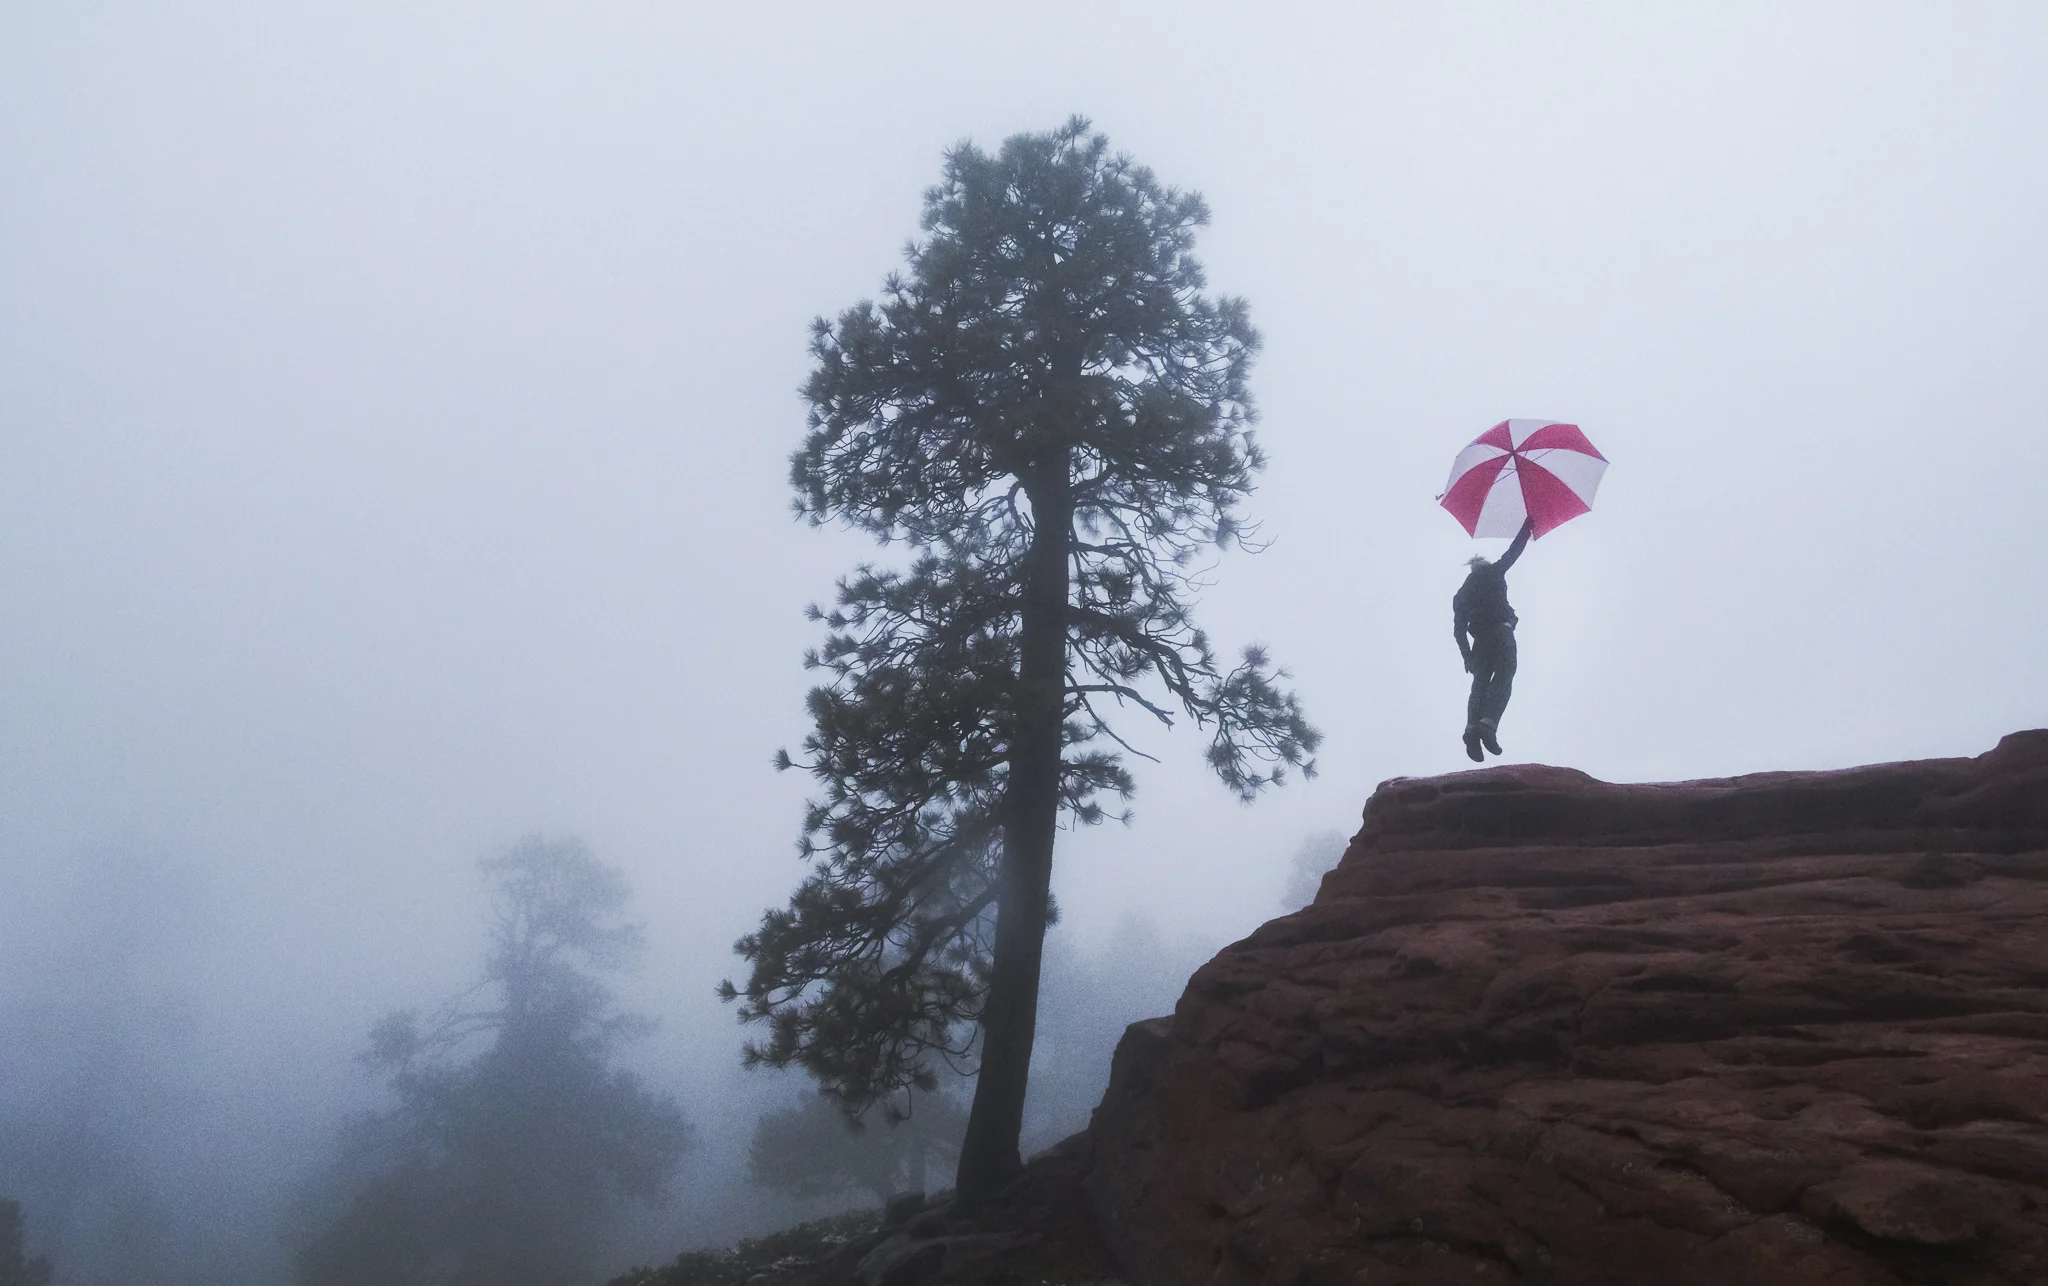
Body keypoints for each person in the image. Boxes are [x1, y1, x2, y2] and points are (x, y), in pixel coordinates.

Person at [1453, 516, 1533, 762]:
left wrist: (1467, 656)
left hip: (1479, 644)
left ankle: (1471, 729)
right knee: (1506, 673)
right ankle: (1488, 725)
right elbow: (1514, 551)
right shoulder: (1494, 572)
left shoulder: (1461, 594)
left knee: (1479, 684)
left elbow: (1458, 629)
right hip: (1500, 633)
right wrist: (1528, 525)